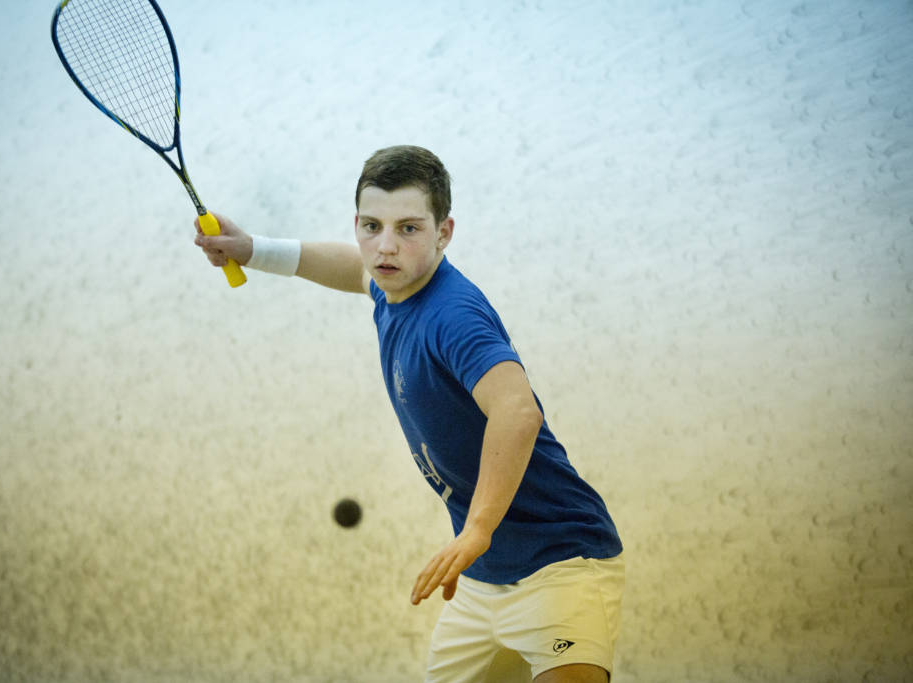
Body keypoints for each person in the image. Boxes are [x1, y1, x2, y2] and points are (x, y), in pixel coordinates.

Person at [194, 145, 624, 683]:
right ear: (356, 223)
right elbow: (356, 268)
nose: (386, 246)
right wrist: (253, 249)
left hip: (561, 562)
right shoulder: (393, 278)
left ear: (444, 232)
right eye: (372, 226)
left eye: (409, 229)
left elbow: (517, 412)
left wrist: (477, 529)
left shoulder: (452, 316)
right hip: (482, 579)